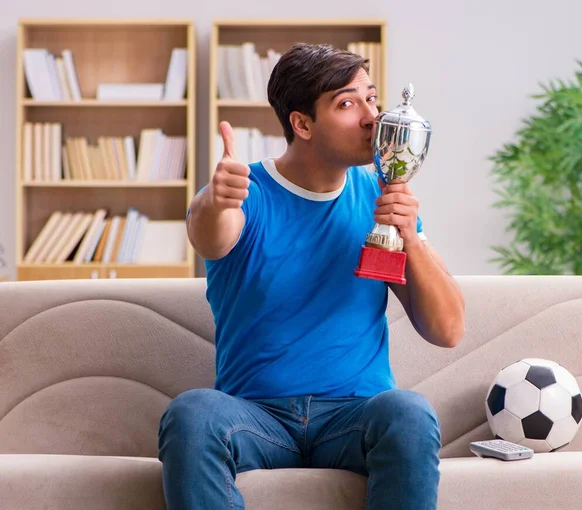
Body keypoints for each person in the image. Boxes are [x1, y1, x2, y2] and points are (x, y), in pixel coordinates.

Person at [158, 43, 465, 510]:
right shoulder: (246, 193)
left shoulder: (382, 198)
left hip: (354, 416)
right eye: (347, 103)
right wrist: (215, 201)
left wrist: (410, 236)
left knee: (408, 411)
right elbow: (212, 236)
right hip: (255, 417)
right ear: (302, 124)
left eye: (372, 98)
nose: (371, 117)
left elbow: (448, 330)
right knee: (193, 413)